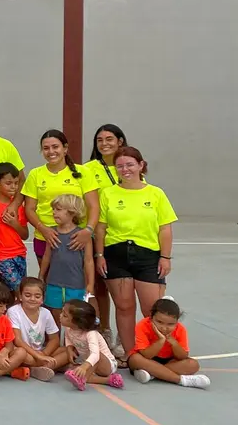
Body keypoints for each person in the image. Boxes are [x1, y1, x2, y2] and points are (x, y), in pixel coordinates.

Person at [94, 146, 177, 356]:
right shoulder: (108, 193)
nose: (125, 169)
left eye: (130, 164)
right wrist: (100, 255)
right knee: (123, 307)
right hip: (116, 255)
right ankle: (131, 354)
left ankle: (157, 353)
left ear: (141, 165)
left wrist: (165, 257)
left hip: (148, 256)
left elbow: (165, 228)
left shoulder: (156, 194)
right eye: (120, 166)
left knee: (152, 309)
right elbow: (101, 227)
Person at [22, 130, 98, 273]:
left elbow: (93, 206)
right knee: (50, 281)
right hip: (45, 237)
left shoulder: (83, 172)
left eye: (55, 147)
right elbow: (29, 209)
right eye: (46, 148)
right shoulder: (35, 174)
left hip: (76, 238)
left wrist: (88, 230)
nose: (51, 151)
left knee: (76, 284)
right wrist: (44, 230)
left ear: (65, 148)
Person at [84, 123, 127, 351]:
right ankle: (105, 330)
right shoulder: (88, 169)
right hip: (96, 235)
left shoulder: (127, 165)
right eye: (100, 140)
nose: (104, 144)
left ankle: (125, 334)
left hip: (122, 235)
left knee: (122, 290)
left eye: (109, 139)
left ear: (120, 141)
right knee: (98, 287)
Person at [129, 298, 210, 389]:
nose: (164, 328)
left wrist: (174, 344)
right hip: (147, 359)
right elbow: (147, 355)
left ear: (176, 322)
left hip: (169, 362)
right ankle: (181, 380)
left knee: (193, 364)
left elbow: (182, 356)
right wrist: (161, 340)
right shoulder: (142, 325)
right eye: (159, 322)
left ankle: (154, 374)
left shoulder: (181, 329)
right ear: (151, 318)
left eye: (170, 324)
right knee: (135, 359)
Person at [41, 194, 93, 327]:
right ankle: (55, 344)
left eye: (58, 209)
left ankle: (70, 345)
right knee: (55, 317)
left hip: (75, 284)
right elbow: (47, 256)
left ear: (72, 212)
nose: (53, 212)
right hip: (54, 282)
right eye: (53, 209)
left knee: (74, 317)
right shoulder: (51, 232)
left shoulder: (83, 235)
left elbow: (88, 261)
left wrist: (90, 283)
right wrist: (41, 275)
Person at [8, 277, 69, 381]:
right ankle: (47, 366)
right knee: (21, 354)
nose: (32, 299)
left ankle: (38, 368)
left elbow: (54, 339)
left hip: (40, 351)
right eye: (28, 295)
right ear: (20, 296)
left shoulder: (46, 313)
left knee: (69, 350)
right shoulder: (13, 311)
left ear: (42, 299)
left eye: (37, 296)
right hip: (24, 352)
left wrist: (44, 354)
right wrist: (38, 356)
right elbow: (17, 340)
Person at [60, 298, 124, 391]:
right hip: (89, 362)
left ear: (77, 323)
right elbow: (68, 338)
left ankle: (83, 379)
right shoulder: (69, 328)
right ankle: (108, 380)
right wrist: (69, 348)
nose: (60, 316)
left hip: (107, 365)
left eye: (64, 315)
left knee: (95, 354)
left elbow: (95, 355)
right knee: (70, 369)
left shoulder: (91, 333)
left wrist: (84, 366)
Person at [0, 163, 29, 293]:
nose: (13, 187)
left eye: (16, 183)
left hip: (20, 255)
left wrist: (14, 224)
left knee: (17, 293)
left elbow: (25, 235)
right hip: (1, 257)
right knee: (20, 292)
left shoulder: (18, 206)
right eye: (9, 183)